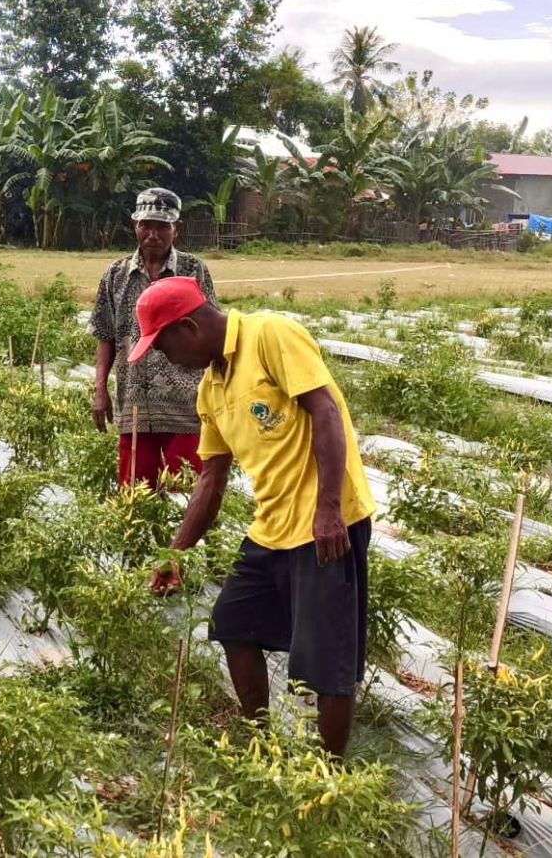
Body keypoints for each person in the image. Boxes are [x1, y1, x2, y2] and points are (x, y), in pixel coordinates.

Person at [130, 277, 375, 757]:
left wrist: (329, 509)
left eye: (163, 346)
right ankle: (261, 746)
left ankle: (331, 772)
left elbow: (325, 411)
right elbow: (211, 481)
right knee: (233, 621)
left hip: (326, 523)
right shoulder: (210, 389)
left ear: (188, 328)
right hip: (272, 526)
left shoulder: (269, 334)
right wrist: (174, 554)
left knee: (329, 661)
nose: (166, 358)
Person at [89, 188, 217, 488]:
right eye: (146, 225)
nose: (153, 234)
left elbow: (211, 331)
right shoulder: (116, 274)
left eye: (162, 226)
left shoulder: (193, 270)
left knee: (184, 492)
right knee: (135, 496)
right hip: (134, 405)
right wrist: (100, 389)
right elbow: (105, 335)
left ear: (177, 228)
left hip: (185, 408)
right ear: (135, 225)